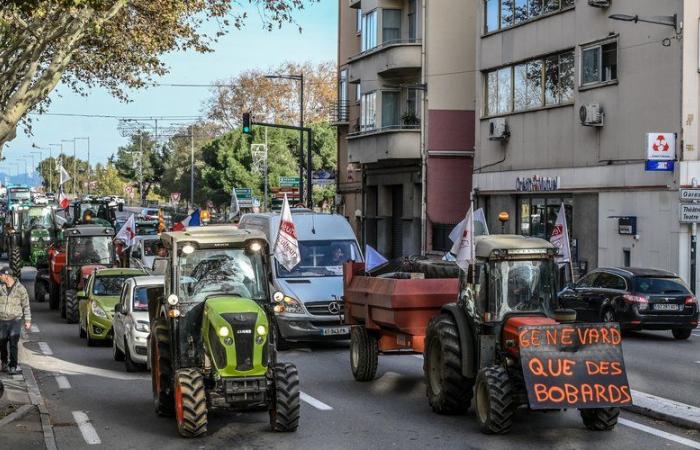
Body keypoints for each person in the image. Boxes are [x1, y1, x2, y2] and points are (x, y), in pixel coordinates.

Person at [0, 267, 31, 375]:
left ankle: (13, 366)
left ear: (7, 275)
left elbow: (26, 305)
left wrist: (27, 320)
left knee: (13, 343)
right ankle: (4, 362)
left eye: (1, 275)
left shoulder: (20, 289)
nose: (0, 277)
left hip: (15, 320)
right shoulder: (1, 288)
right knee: (2, 342)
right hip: (2, 320)